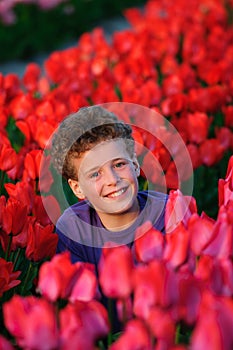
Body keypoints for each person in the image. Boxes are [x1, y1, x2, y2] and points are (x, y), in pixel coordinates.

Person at [51, 105, 168, 275]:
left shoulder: (165, 213)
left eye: (119, 164)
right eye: (95, 174)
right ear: (77, 188)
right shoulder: (73, 228)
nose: (113, 180)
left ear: (135, 165)